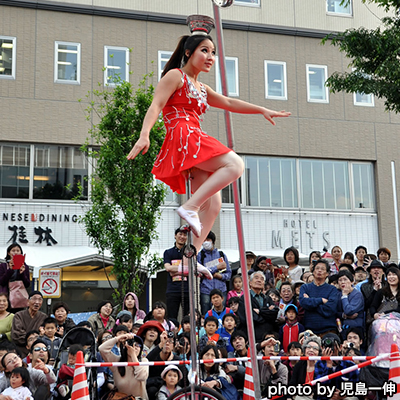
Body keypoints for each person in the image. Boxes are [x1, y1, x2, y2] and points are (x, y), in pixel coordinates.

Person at [127, 32, 290, 255]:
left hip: (192, 138)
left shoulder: (202, 88)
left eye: (213, 52)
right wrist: (144, 134)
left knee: (213, 206)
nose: (210, 57)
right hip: (184, 135)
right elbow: (156, 105)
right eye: (204, 50)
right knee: (235, 165)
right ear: (188, 53)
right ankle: (190, 207)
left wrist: (261, 109)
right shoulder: (175, 76)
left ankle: (190, 255)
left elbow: (229, 102)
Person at [99, 332, 149, 399]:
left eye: (138, 345)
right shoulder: (117, 361)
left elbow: (142, 376)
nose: (135, 347)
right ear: (125, 346)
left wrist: (133, 355)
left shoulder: (144, 361)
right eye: (132, 344)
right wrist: (117, 339)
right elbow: (102, 349)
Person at [299, 259, 340, 336]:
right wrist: (321, 300)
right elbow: (303, 303)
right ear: (313, 272)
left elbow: (330, 309)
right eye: (317, 268)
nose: (319, 271)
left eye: (322, 269)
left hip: (328, 330)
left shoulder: (332, 289)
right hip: (309, 331)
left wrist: (310, 301)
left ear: (327, 273)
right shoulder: (305, 287)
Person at [237, 271, 278, 342]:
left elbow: (273, 315)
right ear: (250, 282)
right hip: (252, 337)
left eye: (262, 279)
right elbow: (247, 318)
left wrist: (260, 312)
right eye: (256, 278)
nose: (259, 280)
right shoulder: (244, 298)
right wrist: (266, 314)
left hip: (268, 336)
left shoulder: (268, 298)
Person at [198, 231, 232, 315]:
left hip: (221, 289)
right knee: (206, 313)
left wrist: (220, 276)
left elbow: (228, 273)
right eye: (204, 240)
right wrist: (216, 268)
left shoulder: (221, 255)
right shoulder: (200, 256)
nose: (206, 242)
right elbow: (200, 272)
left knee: (222, 313)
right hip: (206, 290)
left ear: (213, 241)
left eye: (208, 239)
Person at [11, 292, 47, 358]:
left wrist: (33, 341)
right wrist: (35, 339)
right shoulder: (19, 315)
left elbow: (46, 335)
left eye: (40, 300)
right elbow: (16, 335)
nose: (37, 302)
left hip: (38, 351)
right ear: (28, 301)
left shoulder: (44, 317)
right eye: (34, 299)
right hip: (21, 351)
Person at [0, 243, 30, 312]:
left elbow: (27, 284)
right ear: (8, 253)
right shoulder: (3, 266)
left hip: (19, 299)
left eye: (18, 250)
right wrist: (10, 270)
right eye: (13, 251)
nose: (16, 252)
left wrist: (22, 273)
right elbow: (2, 281)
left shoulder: (25, 267)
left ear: (21, 253)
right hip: (6, 298)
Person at [337, 270, 364, 336]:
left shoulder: (357, 294)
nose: (342, 282)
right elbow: (334, 311)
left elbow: (349, 310)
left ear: (351, 281)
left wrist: (344, 296)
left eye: (345, 279)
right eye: (340, 280)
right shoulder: (337, 294)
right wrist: (344, 315)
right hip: (341, 327)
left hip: (355, 327)